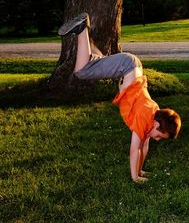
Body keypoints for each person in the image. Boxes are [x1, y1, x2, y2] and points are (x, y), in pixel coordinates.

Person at [58, 13, 182, 183]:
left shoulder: (153, 116)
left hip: (130, 66)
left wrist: (141, 171)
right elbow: (134, 149)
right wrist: (135, 178)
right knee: (82, 71)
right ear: (157, 124)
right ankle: (81, 29)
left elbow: (144, 147)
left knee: (95, 64)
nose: (157, 139)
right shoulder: (144, 117)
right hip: (126, 67)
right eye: (160, 136)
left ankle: (90, 46)